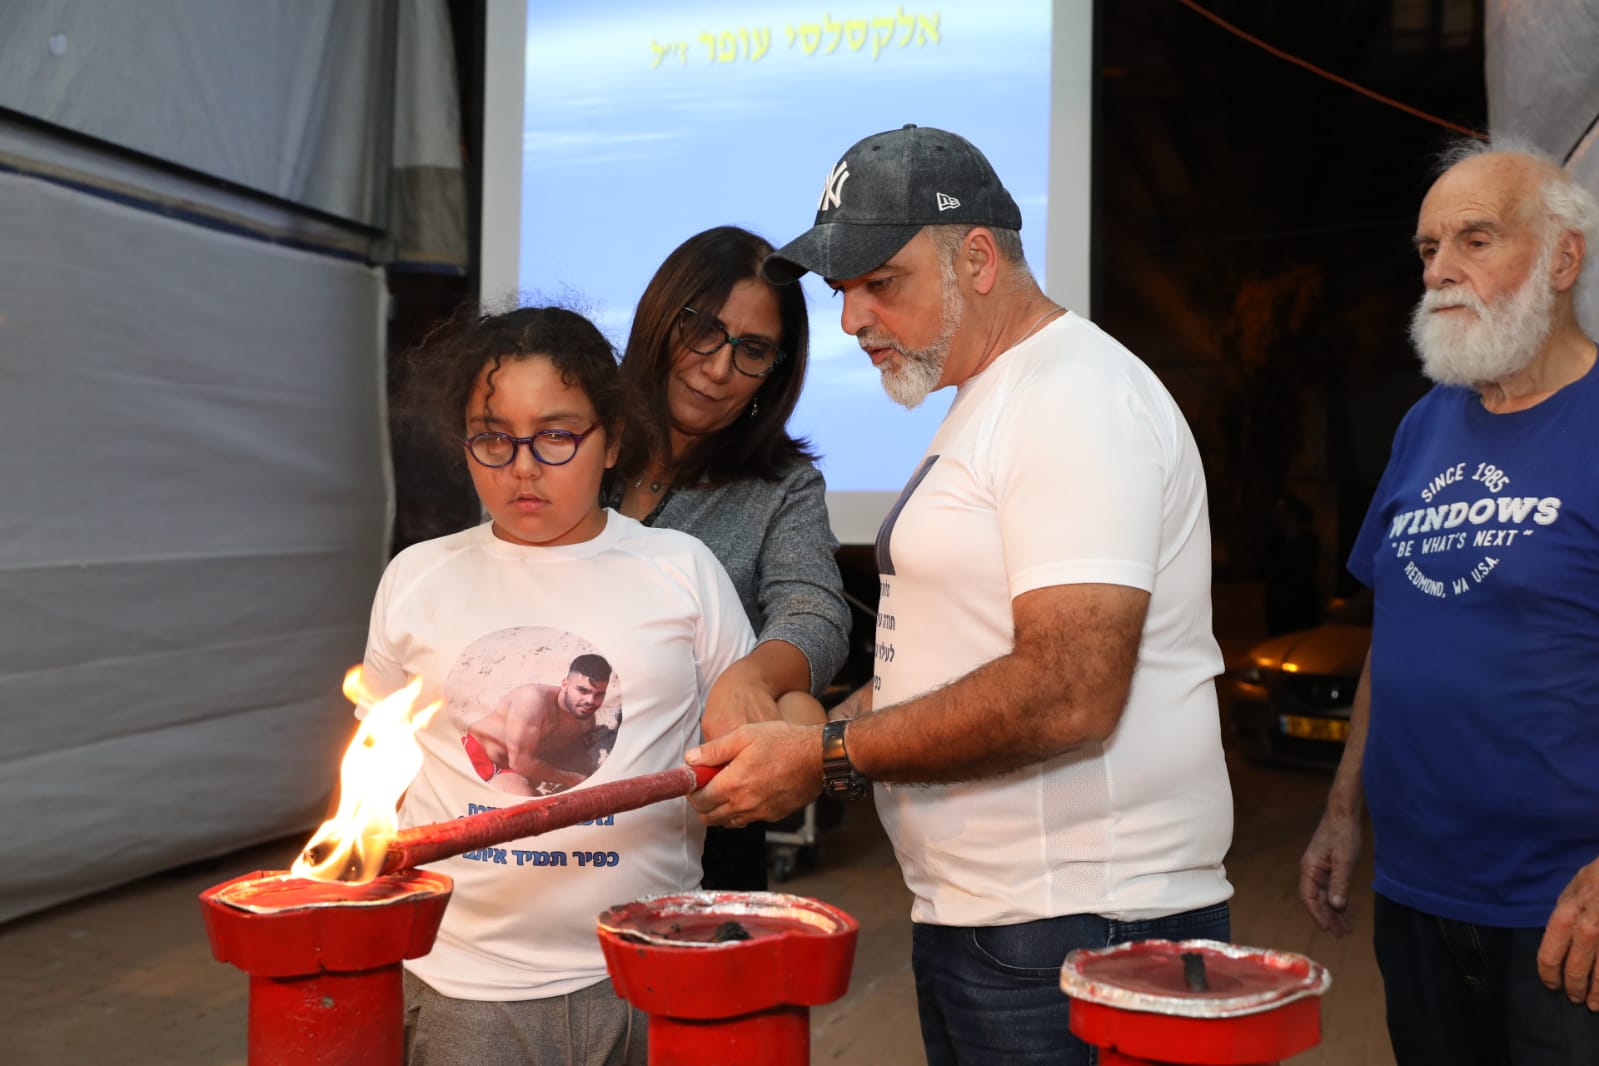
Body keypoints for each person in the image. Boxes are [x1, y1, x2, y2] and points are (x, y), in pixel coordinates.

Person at [684, 125, 1234, 1065]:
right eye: (841, 289)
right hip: (1010, 923)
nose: (851, 318)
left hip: (1077, 925)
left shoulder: (1071, 401)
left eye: (879, 283)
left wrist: (822, 756)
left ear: (976, 258)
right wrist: (815, 733)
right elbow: (957, 663)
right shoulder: (998, 396)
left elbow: (1069, 687)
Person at [360, 304, 823, 1066]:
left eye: (555, 434)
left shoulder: (679, 570)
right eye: (492, 437)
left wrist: (801, 731)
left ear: (610, 440)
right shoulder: (417, 578)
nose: (522, 466)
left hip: (649, 963)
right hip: (466, 985)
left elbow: (761, 722)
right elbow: (376, 766)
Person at [1300, 142, 1599, 1063]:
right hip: (1420, 895)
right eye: (1428, 249)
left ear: (1560, 258)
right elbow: (1397, 633)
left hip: (1567, 914)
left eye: (1475, 239)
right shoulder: (1423, 425)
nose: (1440, 272)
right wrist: (1344, 809)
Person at [603, 225, 852, 889]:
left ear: (776, 370)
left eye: (752, 350)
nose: (718, 368)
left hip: (700, 833)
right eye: (703, 331)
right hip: (547, 818)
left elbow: (814, 610)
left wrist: (752, 676)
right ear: (661, 316)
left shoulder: (781, 485)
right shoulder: (570, 439)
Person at [459, 654, 614, 795]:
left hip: (512, 771)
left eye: (599, 694)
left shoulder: (585, 721)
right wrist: (573, 779)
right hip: (478, 758)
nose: (590, 701)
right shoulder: (533, 700)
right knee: (527, 810)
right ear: (565, 684)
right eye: (582, 690)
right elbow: (520, 762)